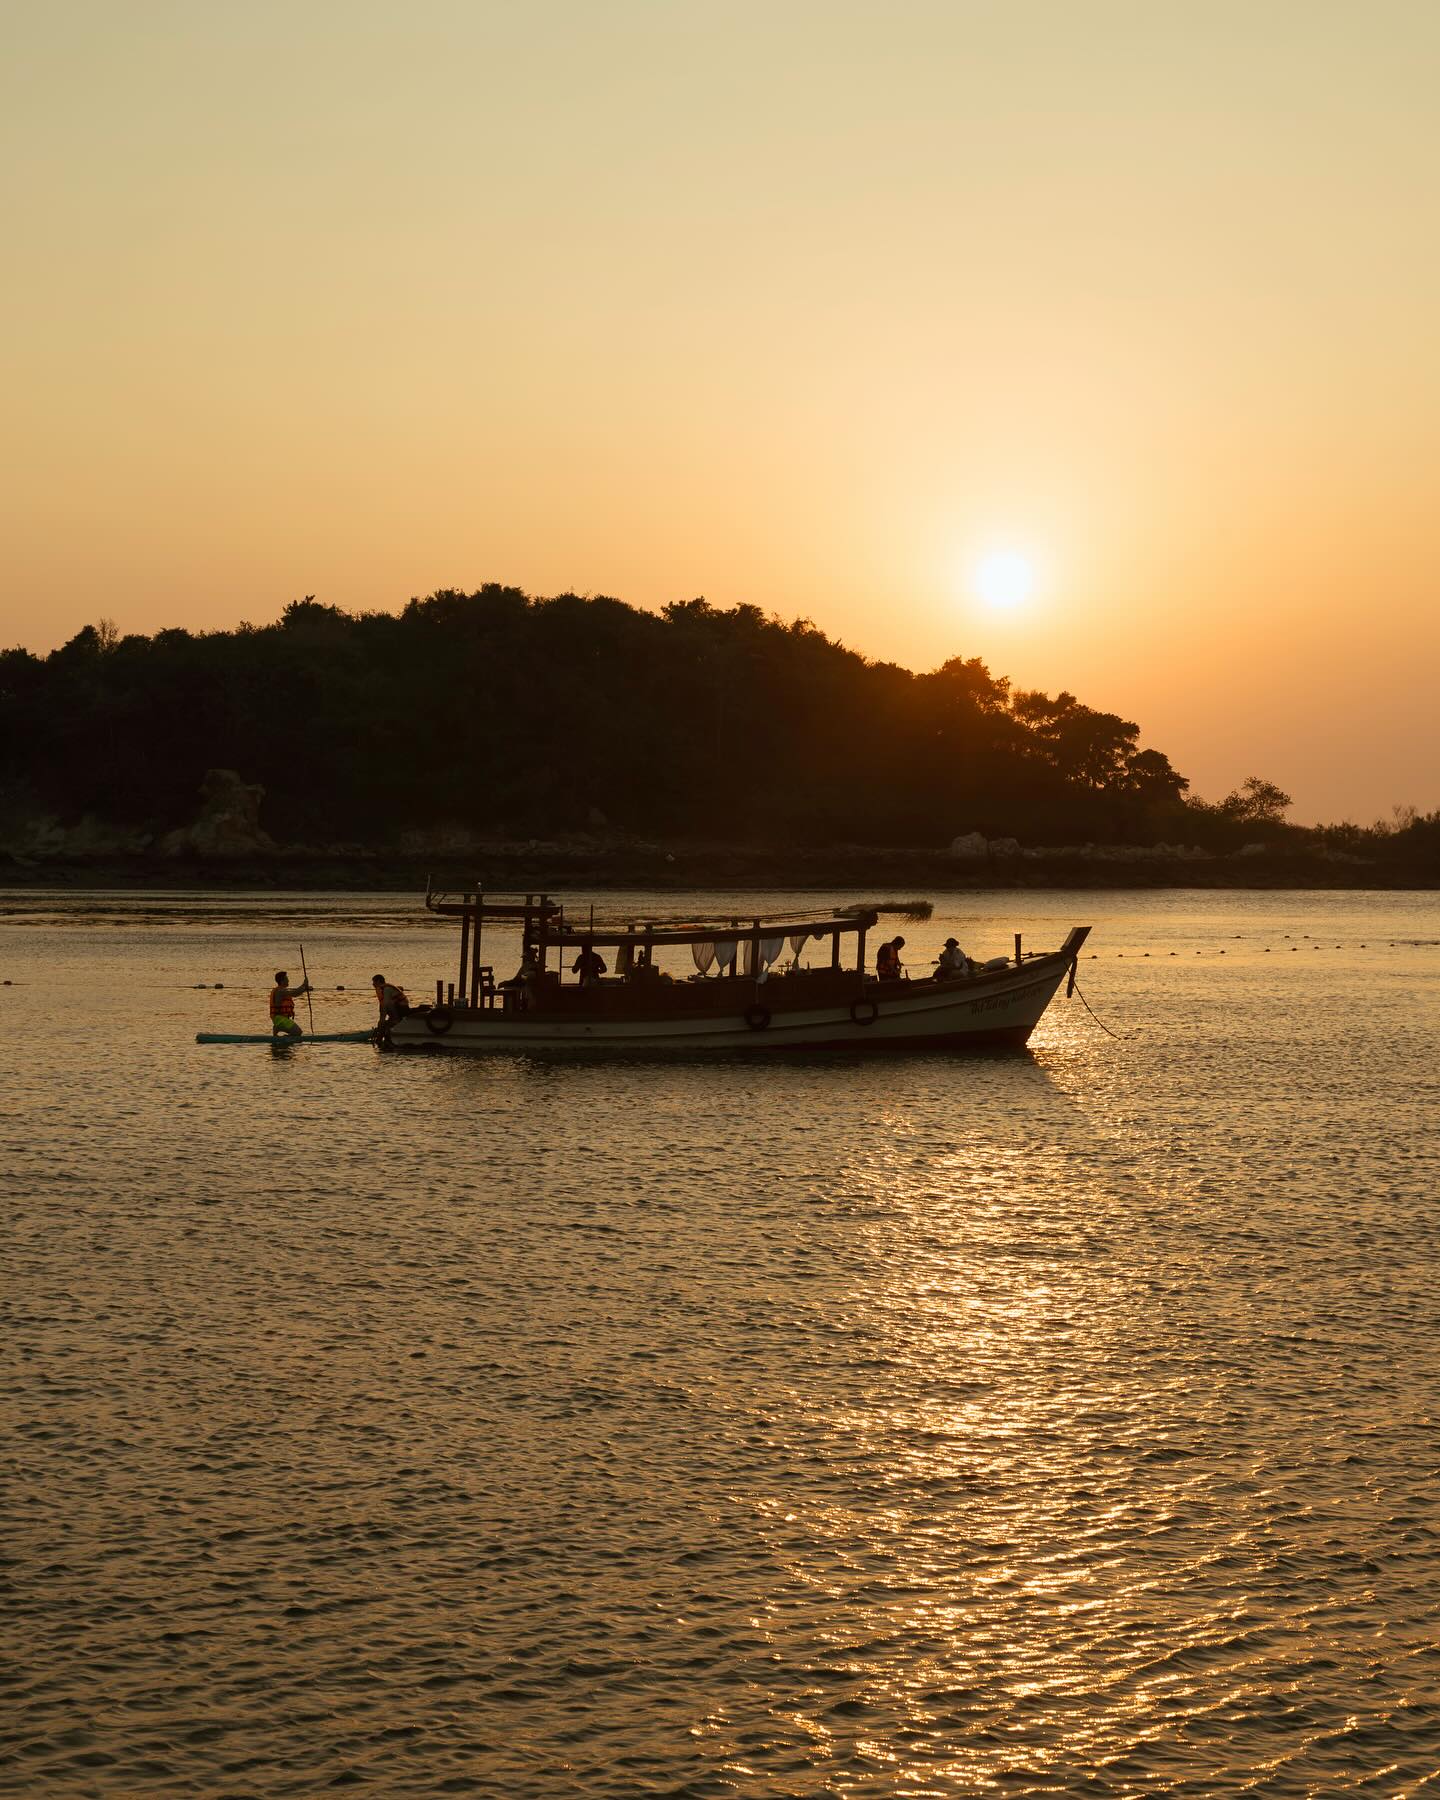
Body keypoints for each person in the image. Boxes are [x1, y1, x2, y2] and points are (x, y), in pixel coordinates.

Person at [269, 969, 311, 1037]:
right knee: (298, 1032)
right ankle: (278, 1028)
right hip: (279, 1019)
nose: (288, 980)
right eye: (287, 978)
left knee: (297, 1032)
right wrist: (304, 986)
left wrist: (304, 987)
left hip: (282, 1019)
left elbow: (295, 991)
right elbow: (295, 993)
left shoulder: (282, 990)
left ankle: (281, 1034)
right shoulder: (280, 991)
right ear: (282, 981)